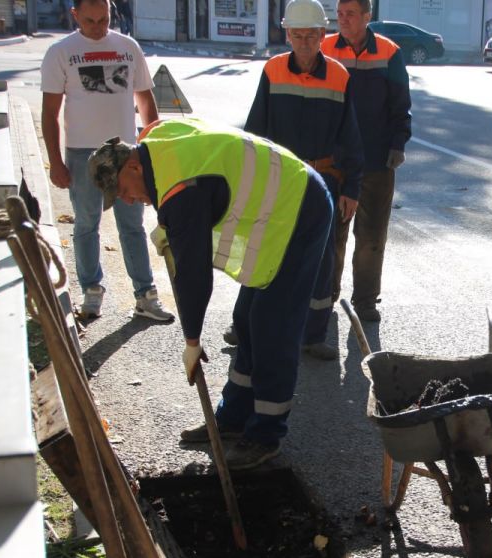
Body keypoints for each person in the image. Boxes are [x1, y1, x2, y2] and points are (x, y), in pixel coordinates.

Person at [88, 118, 334, 470]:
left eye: (122, 189)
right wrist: (168, 229)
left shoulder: (179, 188)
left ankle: (266, 434)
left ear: (133, 165)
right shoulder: (154, 146)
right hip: (276, 209)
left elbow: (194, 275)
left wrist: (192, 340)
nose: (126, 200)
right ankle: (233, 418)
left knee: (271, 326)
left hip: (300, 208)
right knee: (247, 319)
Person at [239, 0, 363, 360]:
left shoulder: (340, 75)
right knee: (262, 252)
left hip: (323, 183)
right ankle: (244, 324)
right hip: (279, 179)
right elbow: (255, 132)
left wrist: (351, 188)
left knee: (320, 260)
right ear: (287, 34)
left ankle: (313, 335)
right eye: (297, 35)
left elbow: (351, 138)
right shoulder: (274, 70)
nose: (305, 42)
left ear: (323, 35)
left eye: (311, 35)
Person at [41, 0, 173, 322]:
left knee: (133, 226)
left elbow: (145, 99)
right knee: (87, 225)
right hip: (83, 154)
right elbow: (50, 112)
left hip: (126, 154)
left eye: (104, 19)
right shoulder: (60, 52)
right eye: (90, 21)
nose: (98, 27)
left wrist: (151, 146)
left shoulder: (128, 47)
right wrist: (56, 162)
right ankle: (91, 291)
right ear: (75, 15)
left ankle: (145, 295)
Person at [322, 0, 411, 323]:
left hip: (376, 159)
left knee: (372, 236)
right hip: (335, 160)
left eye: (350, 14)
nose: (342, 20)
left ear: (367, 17)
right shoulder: (325, 47)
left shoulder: (388, 52)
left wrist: (398, 143)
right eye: (340, 14)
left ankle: (365, 301)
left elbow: (401, 104)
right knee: (332, 233)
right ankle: (325, 296)